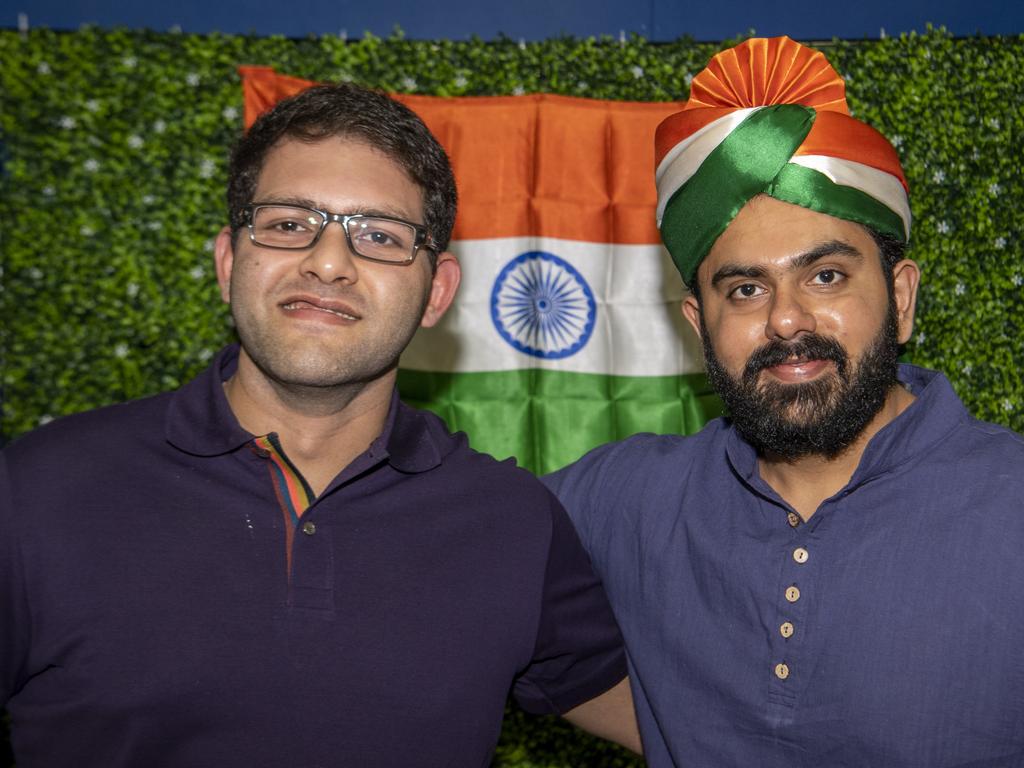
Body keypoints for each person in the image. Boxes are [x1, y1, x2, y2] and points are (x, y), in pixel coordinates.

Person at [0, 83, 639, 767]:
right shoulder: (34, 492)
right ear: (227, 263)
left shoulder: (514, 522)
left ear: (437, 292)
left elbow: (686, 723)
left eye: (379, 236)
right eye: (287, 224)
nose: (329, 261)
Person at [545, 36, 1024, 766]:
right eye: (745, 290)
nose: (788, 319)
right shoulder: (627, 498)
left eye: (826, 276)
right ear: (700, 325)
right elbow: (453, 550)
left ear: (900, 298)